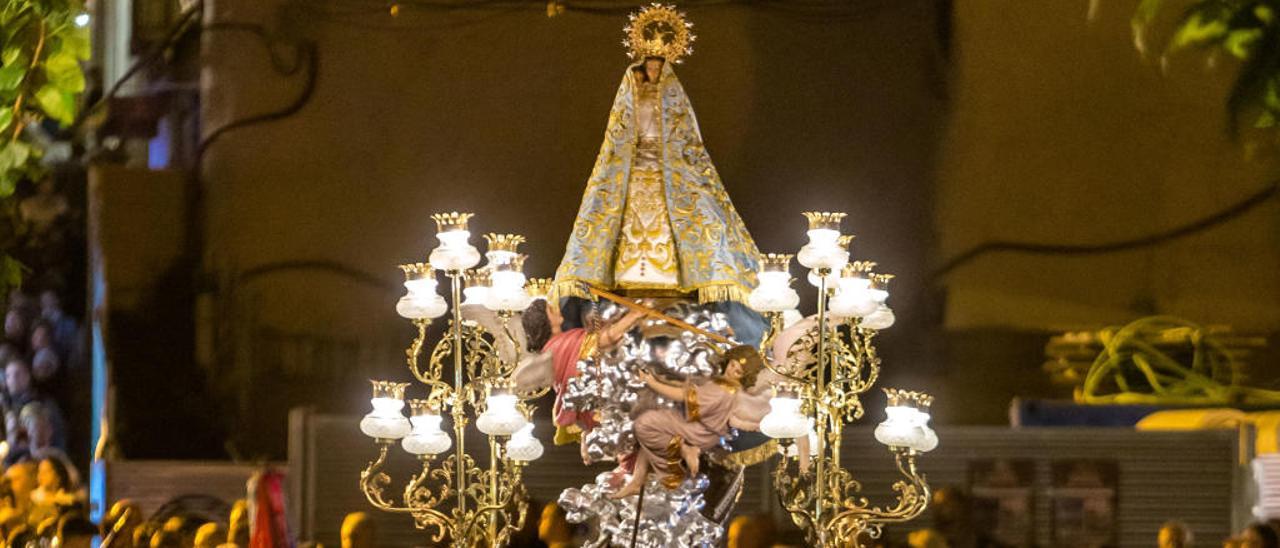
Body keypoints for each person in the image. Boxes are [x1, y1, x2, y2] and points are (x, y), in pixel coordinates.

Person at [551, 50, 765, 345]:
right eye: (649, 66)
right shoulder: (631, 94)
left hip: (668, 174)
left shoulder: (672, 99)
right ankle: (627, 284)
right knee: (618, 226)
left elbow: (685, 138)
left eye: (657, 68)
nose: (652, 71)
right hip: (634, 170)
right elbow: (619, 137)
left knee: (691, 228)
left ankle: (679, 284)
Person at [613, 345, 764, 497]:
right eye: (732, 365)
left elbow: (684, 396)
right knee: (649, 439)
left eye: (738, 371)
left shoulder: (722, 390)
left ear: (744, 376)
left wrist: (651, 382)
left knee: (644, 424)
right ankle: (637, 481)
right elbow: (731, 418)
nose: (731, 371)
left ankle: (677, 463)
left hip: (698, 432)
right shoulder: (727, 387)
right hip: (703, 431)